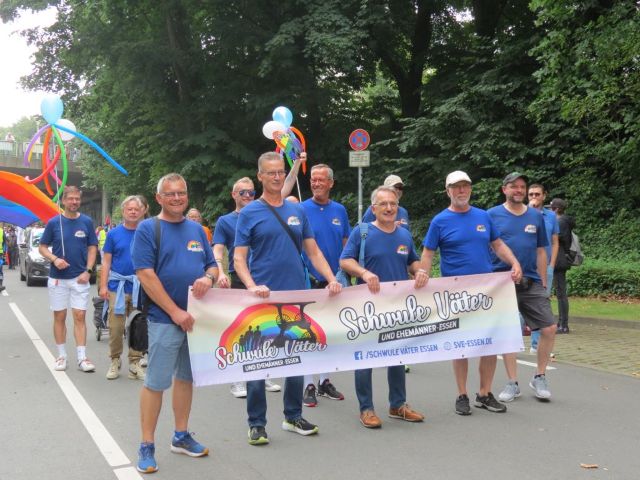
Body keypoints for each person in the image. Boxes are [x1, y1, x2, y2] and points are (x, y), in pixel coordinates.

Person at [233, 151, 342, 446]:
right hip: (263, 297)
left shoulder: (297, 211)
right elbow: (239, 258)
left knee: (296, 357)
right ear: (260, 176)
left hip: (295, 294)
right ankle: (257, 423)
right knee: (258, 360)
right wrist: (251, 285)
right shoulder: (250, 213)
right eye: (270, 172)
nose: (277, 176)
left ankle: (293, 416)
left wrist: (331, 278)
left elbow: (313, 251)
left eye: (280, 172)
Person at [132, 173, 218, 473]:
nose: (177, 198)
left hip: (195, 320)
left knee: (185, 378)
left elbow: (212, 265)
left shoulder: (197, 230)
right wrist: (174, 312)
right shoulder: (148, 229)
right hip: (164, 320)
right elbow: (145, 275)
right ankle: (146, 444)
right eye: (170, 194)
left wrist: (208, 278)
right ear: (159, 198)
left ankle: (181, 436)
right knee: (156, 383)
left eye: (181, 192)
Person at [421, 171, 522, 416]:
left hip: (486, 292)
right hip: (455, 294)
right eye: (456, 187)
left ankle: (484, 394)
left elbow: (497, 244)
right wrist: (423, 276)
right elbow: (428, 253)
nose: (461, 191)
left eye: (465, 186)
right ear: (448, 191)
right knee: (460, 345)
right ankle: (462, 394)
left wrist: (514, 262)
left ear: (470, 189)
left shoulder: (483, 216)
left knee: (490, 343)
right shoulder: (440, 221)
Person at [339, 185, 427, 428]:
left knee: (397, 355)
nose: (389, 208)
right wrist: (364, 273)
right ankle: (366, 408)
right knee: (365, 358)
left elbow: (412, 261)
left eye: (393, 204)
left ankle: (397, 405)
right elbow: (345, 260)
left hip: (397, 307)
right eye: (384, 204)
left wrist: (419, 271)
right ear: (374, 208)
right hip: (367, 307)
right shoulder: (362, 232)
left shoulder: (404, 234)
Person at [489, 173, 557, 402]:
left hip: (531, 281)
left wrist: (543, 282)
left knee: (549, 328)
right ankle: (512, 382)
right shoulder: (492, 215)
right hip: (502, 282)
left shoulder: (536, 216)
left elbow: (541, 251)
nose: (518, 190)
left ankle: (539, 376)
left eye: (522, 186)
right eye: (513, 186)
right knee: (509, 332)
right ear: (504, 189)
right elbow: (486, 246)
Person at [213, 177, 281, 398]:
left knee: (267, 326)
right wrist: (220, 272)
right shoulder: (225, 221)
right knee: (242, 328)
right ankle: (237, 378)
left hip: (264, 277)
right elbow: (218, 250)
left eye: (251, 192)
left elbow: (284, 188)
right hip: (240, 279)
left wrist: (297, 165)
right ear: (234, 195)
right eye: (243, 192)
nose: (248, 196)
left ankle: (264, 373)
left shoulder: (263, 213)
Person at [298, 163, 349, 406]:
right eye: (313, 179)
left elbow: (347, 244)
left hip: (335, 282)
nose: (316, 183)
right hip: (309, 280)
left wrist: (344, 273)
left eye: (321, 179)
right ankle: (308, 383)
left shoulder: (340, 210)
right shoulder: (300, 209)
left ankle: (324, 381)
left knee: (329, 334)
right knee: (308, 334)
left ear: (331, 183)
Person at [38, 186, 98, 372]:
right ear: (63, 201)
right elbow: (42, 247)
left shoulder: (86, 222)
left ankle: (82, 358)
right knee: (60, 316)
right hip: (58, 279)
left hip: (80, 278)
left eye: (77, 199)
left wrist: (88, 271)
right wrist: (55, 259)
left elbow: (92, 248)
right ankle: (61, 356)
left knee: (80, 316)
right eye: (70, 198)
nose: (74, 202)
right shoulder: (54, 222)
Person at [99, 196, 146, 380]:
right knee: (116, 327)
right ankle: (115, 360)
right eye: (129, 209)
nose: (133, 212)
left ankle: (135, 363)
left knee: (138, 326)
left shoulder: (146, 232)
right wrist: (103, 285)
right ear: (123, 211)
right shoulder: (113, 234)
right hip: (116, 287)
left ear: (142, 211)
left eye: (136, 209)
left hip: (140, 287)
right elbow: (106, 261)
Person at [527, 184, 559, 352]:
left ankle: (535, 344)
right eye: (531, 194)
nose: (534, 197)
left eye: (537, 194)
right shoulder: (522, 213)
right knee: (520, 304)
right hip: (526, 266)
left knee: (540, 304)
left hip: (544, 266)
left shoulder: (551, 216)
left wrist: (552, 265)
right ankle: (510, 342)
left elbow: (555, 242)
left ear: (544, 196)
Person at [550, 198, 575, 334]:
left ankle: (563, 325)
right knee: (560, 292)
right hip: (561, 258)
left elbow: (556, 239)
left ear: (557, 209)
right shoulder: (564, 221)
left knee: (561, 293)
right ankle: (561, 323)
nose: (549, 210)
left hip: (559, 260)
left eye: (551, 208)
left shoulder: (560, 222)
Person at [0, 224, 6, 292]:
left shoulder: (1, 231)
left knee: (0, 270)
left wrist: (4, 252)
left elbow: (4, 243)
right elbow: (5, 243)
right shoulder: (2, 231)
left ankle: (0, 285)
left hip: (0, 253)